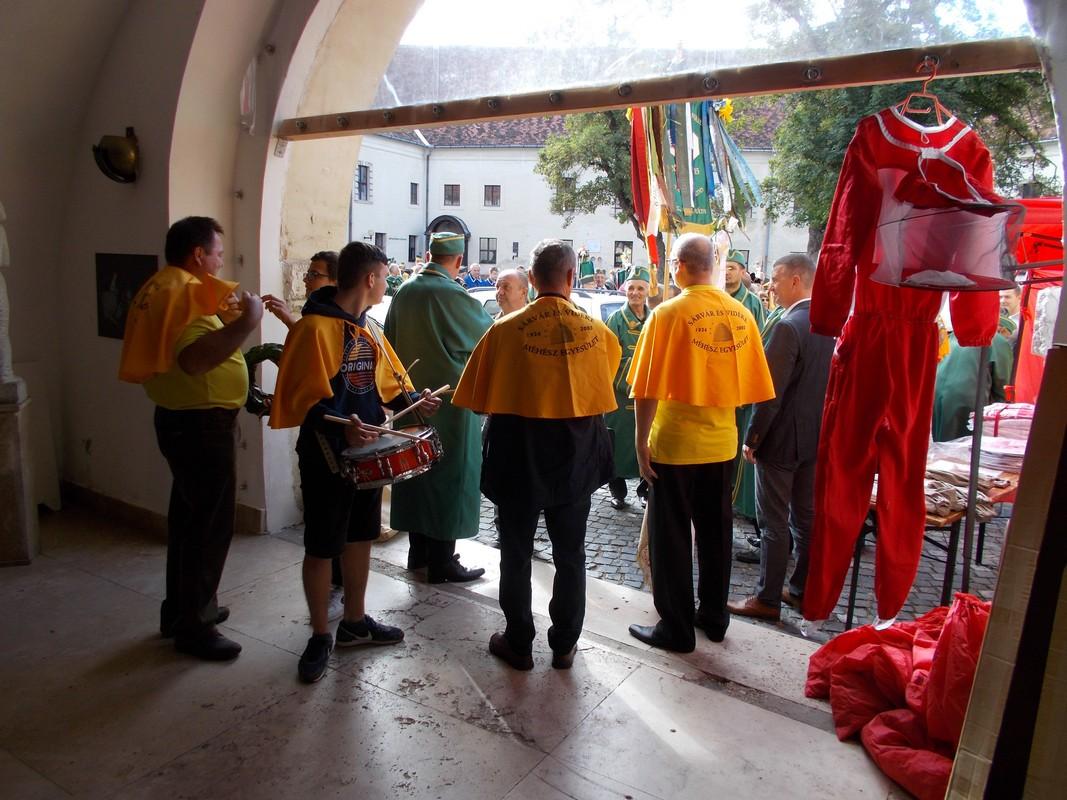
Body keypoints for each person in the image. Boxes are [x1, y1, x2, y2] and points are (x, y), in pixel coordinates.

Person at [269, 241, 442, 683]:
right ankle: (319, 634)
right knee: (321, 545)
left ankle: (354, 621)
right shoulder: (313, 329)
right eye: (384, 277)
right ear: (369, 278)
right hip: (326, 453)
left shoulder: (370, 329)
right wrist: (341, 428)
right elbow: (298, 400)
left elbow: (388, 385)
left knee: (360, 536)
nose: (386, 284)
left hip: (365, 456)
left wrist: (414, 400)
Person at [453, 239, 619, 670]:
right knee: (571, 554)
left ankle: (519, 642)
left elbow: (476, 400)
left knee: (515, 552)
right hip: (576, 452)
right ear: (571, 276)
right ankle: (564, 645)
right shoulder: (599, 332)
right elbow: (604, 385)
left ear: (531, 278)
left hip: (518, 452)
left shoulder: (503, 330)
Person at [119, 216, 263, 661]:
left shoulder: (162, 285)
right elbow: (195, 360)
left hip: (183, 420)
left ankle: (182, 611)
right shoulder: (184, 293)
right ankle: (195, 627)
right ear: (198, 254)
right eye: (217, 253)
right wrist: (247, 322)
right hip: (201, 426)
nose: (220, 261)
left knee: (188, 520)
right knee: (208, 526)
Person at [626, 233, 773, 652]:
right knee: (716, 533)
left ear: (678, 265)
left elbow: (646, 388)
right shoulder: (741, 313)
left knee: (671, 536)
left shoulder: (667, 313)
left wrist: (640, 442)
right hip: (722, 443)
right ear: (713, 266)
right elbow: (754, 386)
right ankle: (714, 615)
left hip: (675, 444)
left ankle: (676, 627)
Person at [727, 255, 834, 620]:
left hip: (782, 440)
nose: (770, 285)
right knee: (804, 518)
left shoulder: (789, 326)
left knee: (774, 521)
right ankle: (802, 589)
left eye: (776, 278)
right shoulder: (828, 323)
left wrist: (753, 437)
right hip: (814, 437)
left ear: (796, 281)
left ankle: (768, 598)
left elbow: (769, 393)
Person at [385, 232, 493, 582]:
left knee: (415, 474)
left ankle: (418, 555)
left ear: (429, 254)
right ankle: (442, 562)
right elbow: (489, 338)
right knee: (450, 477)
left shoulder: (404, 291)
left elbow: (389, 341)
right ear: (459, 260)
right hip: (450, 403)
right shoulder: (452, 294)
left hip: (410, 400)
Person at [725, 248, 768, 546]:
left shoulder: (752, 303)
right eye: (725, 267)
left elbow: (759, 347)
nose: (728, 272)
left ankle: (742, 506)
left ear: (742, 272)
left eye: (733, 267)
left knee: (740, 449)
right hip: (715, 386)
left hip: (740, 388)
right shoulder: (714, 296)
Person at [604, 266, 652, 509]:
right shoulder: (615, 320)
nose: (635, 293)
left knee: (647, 442)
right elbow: (608, 357)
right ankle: (617, 491)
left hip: (648, 394)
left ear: (648, 291)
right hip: (620, 395)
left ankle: (644, 489)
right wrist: (627, 380)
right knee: (617, 443)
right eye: (631, 288)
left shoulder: (655, 319)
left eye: (640, 288)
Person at [931, 316, 1014, 442]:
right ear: (1001, 329)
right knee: (963, 447)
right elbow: (1003, 382)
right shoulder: (997, 340)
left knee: (942, 443)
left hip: (938, 395)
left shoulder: (955, 336)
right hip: (967, 400)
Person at [263, 251, 337, 329]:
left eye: (314, 274)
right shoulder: (314, 311)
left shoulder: (339, 318)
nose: (305, 280)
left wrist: (289, 321)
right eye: (308, 274)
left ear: (336, 282)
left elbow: (313, 337)